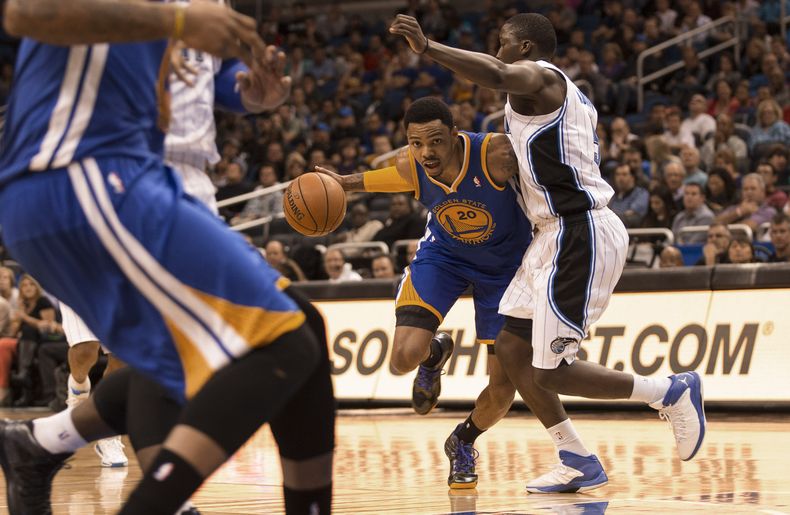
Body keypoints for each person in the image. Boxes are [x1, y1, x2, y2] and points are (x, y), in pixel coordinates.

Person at [0, 2, 334, 514]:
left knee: (299, 331)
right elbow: (26, 11)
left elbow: (193, 83)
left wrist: (246, 93)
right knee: (281, 344)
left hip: (132, 178)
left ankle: (41, 442)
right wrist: (174, 25)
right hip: (81, 178)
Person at [390, 12, 707, 493]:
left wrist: (429, 47)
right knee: (515, 354)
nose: (497, 53)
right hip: (549, 237)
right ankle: (577, 458)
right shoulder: (533, 103)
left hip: (580, 230)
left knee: (552, 369)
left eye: (503, 43)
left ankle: (669, 391)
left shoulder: (542, 78)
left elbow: (496, 75)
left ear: (524, 49)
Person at [317, 96, 535, 490]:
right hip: (445, 258)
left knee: (504, 388)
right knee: (401, 360)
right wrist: (343, 183)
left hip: (507, 271)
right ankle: (434, 354)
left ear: (454, 134)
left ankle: (463, 441)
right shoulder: (410, 165)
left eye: (435, 141)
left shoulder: (496, 154)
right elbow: (379, 180)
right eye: (416, 143)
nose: (426, 152)